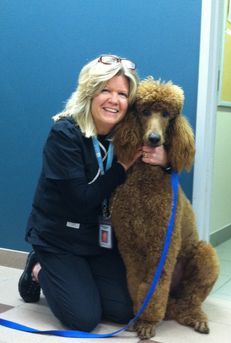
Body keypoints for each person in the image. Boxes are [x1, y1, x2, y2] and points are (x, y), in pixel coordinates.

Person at [18, 54, 169, 332]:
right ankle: (37, 268)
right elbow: (81, 200)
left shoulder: (126, 135)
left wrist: (165, 161)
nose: (114, 100)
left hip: (97, 241)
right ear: (90, 92)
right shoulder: (64, 134)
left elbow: (163, 148)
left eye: (122, 93)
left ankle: (78, 279)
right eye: (105, 90)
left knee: (127, 310)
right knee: (84, 318)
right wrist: (121, 168)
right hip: (60, 238)